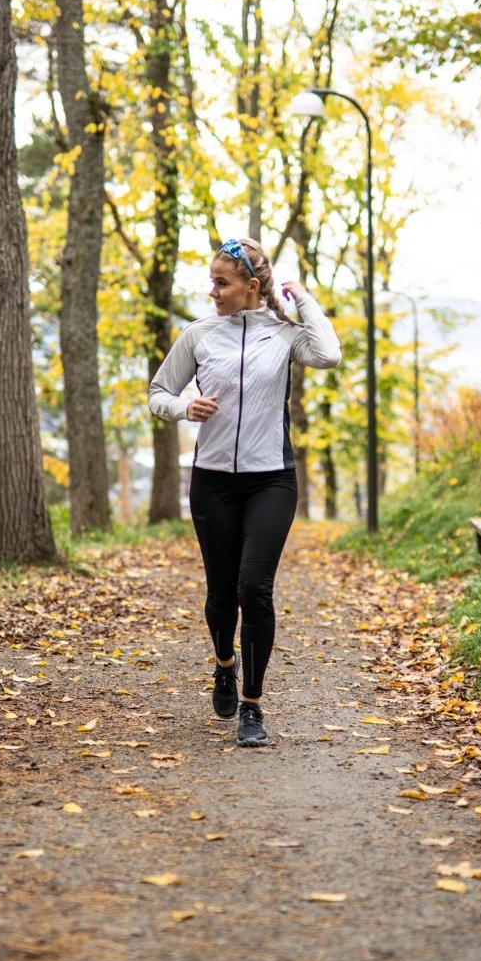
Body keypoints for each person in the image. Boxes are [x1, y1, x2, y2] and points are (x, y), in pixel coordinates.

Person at [148, 237, 342, 746]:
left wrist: (302, 298)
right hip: (212, 481)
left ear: (251, 287)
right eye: (212, 281)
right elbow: (158, 393)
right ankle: (223, 664)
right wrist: (182, 409)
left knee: (253, 588)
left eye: (221, 282)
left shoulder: (283, 337)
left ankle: (252, 707)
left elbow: (329, 354)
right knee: (220, 594)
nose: (212, 291)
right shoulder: (198, 336)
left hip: (271, 478)